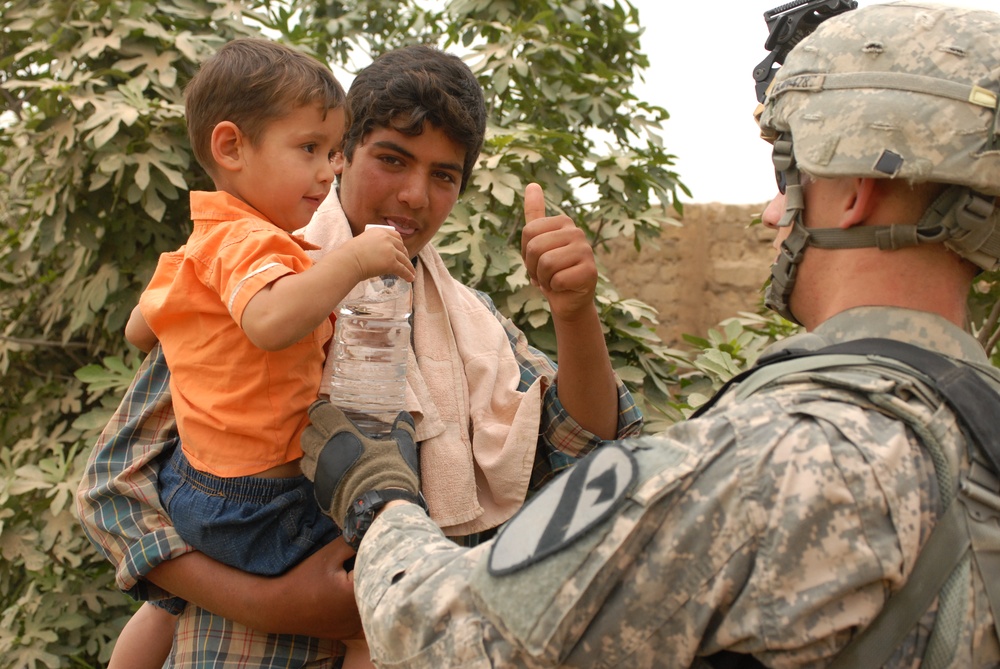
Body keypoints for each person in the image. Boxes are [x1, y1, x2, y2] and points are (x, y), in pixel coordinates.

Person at [299, 3, 1000, 667]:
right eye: (392, 159)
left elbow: (453, 633)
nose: (769, 213)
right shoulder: (975, 426)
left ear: (856, 194)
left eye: (790, 180)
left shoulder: (766, 460)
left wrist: (378, 497)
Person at [76, 43, 643, 667]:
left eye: (443, 175)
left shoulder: (470, 324)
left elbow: (583, 443)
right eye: (392, 159)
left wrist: (574, 311)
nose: (414, 195)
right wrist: (273, 602)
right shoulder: (265, 286)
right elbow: (112, 488)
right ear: (342, 157)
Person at [110, 36, 412, 669]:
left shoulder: (204, 244)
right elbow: (272, 322)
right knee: (368, 609)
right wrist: (354, 259)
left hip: (193, 487)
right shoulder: (252, 242)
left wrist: (192, 329)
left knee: (166, 604)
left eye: (332, 153)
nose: (327, 170)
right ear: (231, 147)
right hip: (258, 499)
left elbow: (142, 327)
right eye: (309, 149)